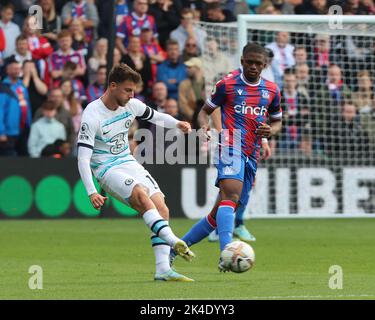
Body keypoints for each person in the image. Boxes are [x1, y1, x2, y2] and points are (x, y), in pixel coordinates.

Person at [77, 63, 195, 281]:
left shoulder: (131, 105)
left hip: (127, 161)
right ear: (112, 86)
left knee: (161, 207)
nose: (132, 95)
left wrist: (178, 123)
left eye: (133, 91)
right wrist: (92, 191)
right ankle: (173, 241)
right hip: (106, 167)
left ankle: (163, 270)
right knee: (140, 194)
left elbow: (157, 117)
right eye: (127, 90)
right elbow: (83, 157)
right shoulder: (92, 114)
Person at [171, 43, 282, 271]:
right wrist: (204, 128)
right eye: (248, 62)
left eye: (257, 63)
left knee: (218, 213)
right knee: (231, 195)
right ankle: (227, 254)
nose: (252, 66)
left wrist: (270, 132)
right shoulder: (228, 84)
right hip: (230, 145)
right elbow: (205, 111)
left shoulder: (272, 90)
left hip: (252, 153)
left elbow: (277, 120)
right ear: (242, 61)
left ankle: (175, 248)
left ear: (264, 65)